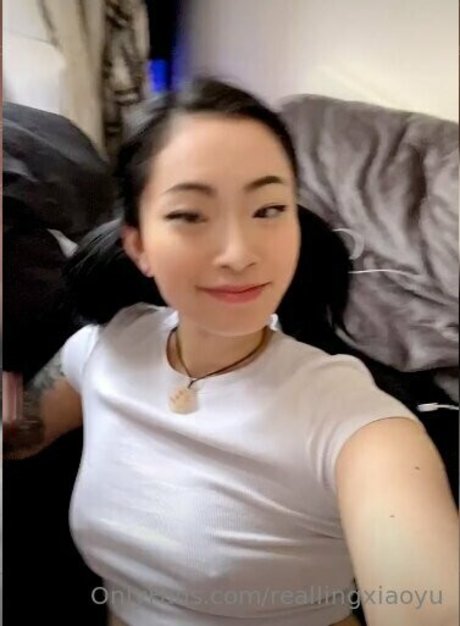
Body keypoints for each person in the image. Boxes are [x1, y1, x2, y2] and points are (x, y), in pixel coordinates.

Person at [5, 77, 458, 626]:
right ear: (139, 244)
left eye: (267, 209)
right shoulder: (103, 349)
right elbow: (19, 436)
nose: (240, 253)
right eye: (191, 215)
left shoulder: (357, 422)